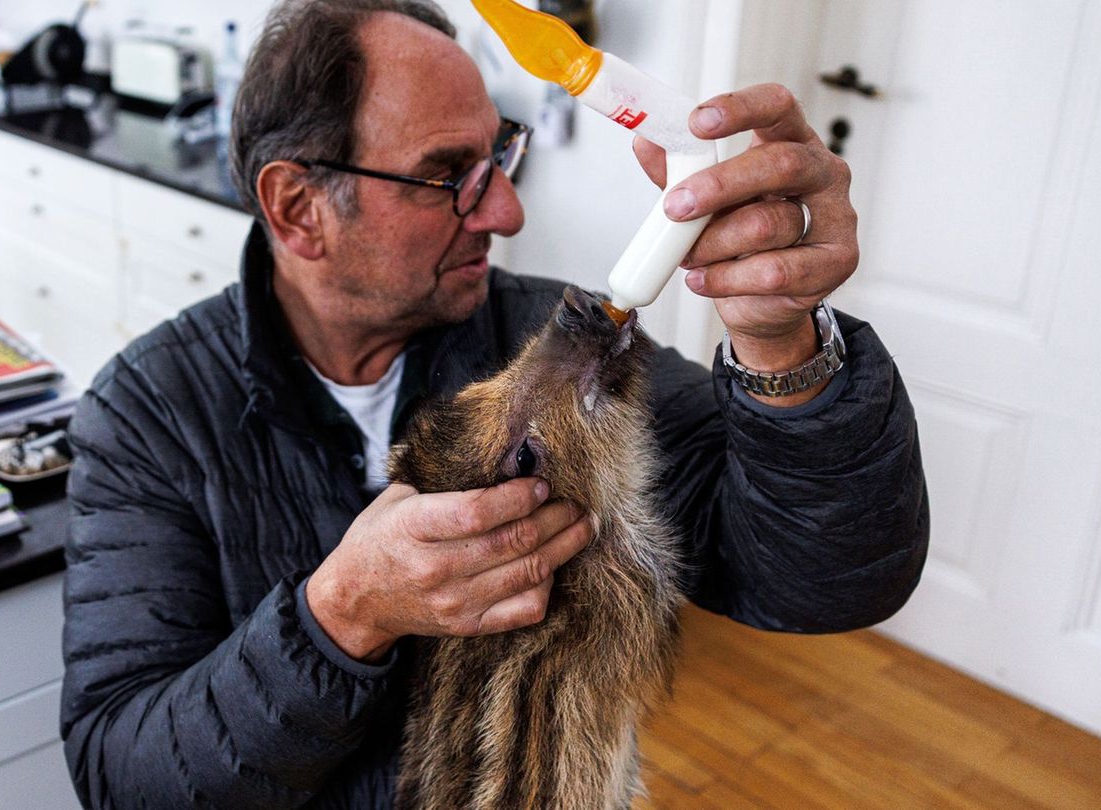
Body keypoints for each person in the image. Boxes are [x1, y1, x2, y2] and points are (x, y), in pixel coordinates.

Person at [59, 0, 929, 807]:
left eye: (498, 155)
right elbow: (123, 773)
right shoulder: (149, 416)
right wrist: (344, 615)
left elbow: (823, 581)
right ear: (298, 209)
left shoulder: (542, 334)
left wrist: (782, 345)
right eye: (450, 177)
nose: (507, 212)